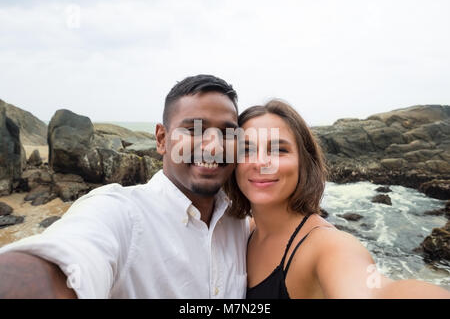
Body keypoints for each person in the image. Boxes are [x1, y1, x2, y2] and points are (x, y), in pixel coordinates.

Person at [0, 74, 249, 298]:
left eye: (227, 133)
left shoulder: (241, 226)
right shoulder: (121, 214)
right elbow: (71, 253)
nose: (214, 147)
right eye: (195, 129)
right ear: (162, 139)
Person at [224, 99, 450, 299]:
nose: (261, 162)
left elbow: (374, 291)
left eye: (279, 150)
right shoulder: (242, 231)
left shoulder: (327, 247)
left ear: (304, 162)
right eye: (246, 150)